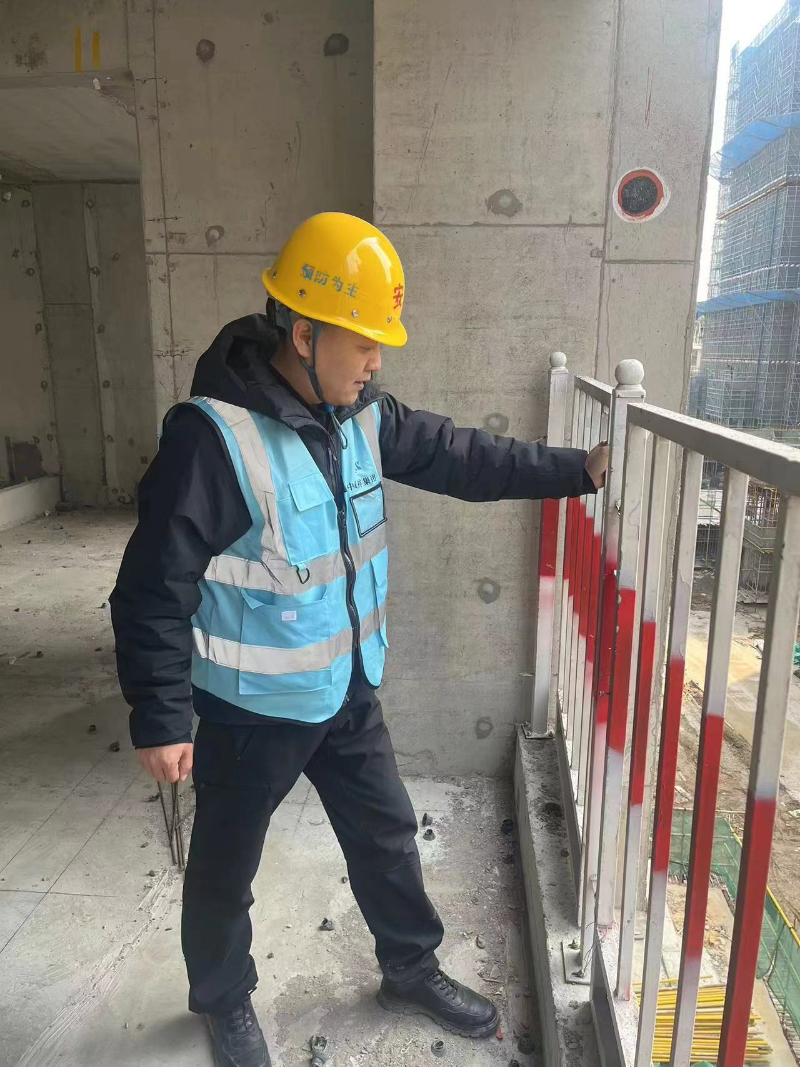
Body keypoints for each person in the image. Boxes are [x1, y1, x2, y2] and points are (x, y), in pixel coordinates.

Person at [110, 212, 608, 1067]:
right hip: (250, 710)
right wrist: (159, 715)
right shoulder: (216, 439)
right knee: (224, 866)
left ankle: (410, 967)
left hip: (345, 689)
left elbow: (464, 457)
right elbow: (153, 585)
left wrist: (575, 471)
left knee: (386, 833)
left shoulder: (363, 417)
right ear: (304, 335)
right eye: (364, 343)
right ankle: (223, 1000)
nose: (376, 362)